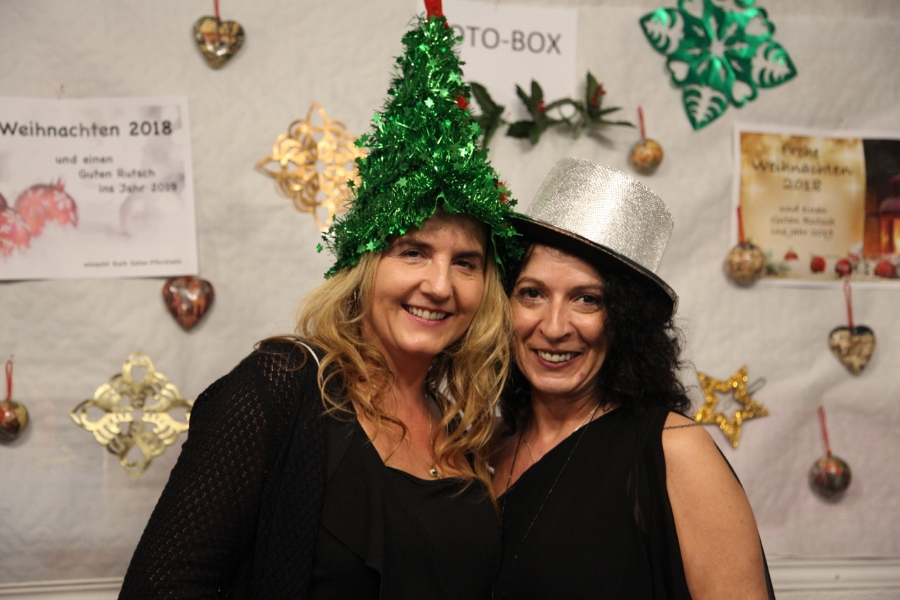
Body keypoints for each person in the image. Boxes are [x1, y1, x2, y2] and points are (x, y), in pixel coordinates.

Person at [119, 4, 520, 599]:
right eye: (412, 252)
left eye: (466, 262)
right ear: (363, 265)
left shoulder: (464, 429)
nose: (440, 285)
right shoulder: (281, 387)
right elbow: (165, 587)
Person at [491, 158, 775, 599]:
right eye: (532, 293)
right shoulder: (486, 445)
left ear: (626, 320)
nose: (554, 327)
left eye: (587, 299)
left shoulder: (675, 451)